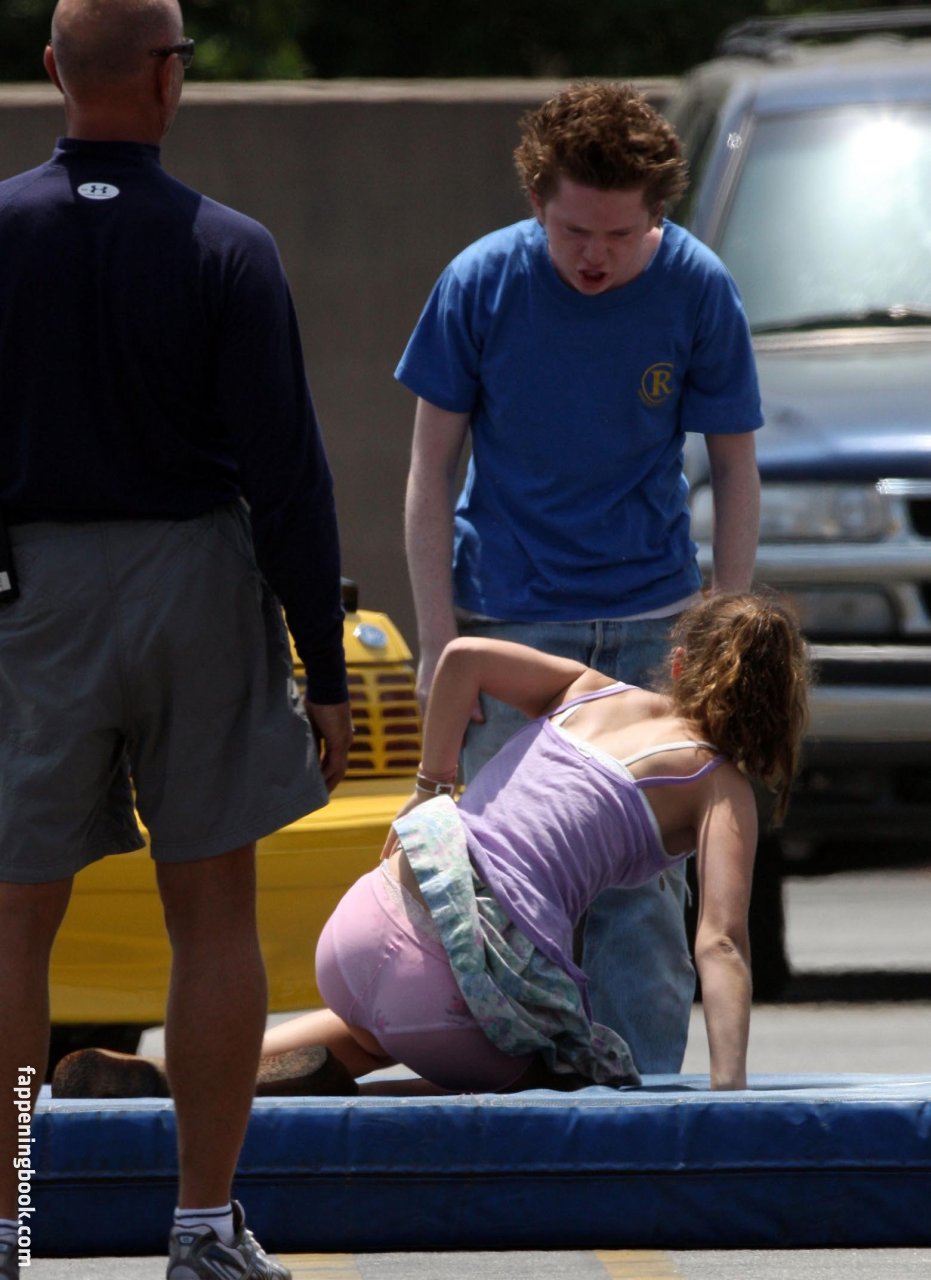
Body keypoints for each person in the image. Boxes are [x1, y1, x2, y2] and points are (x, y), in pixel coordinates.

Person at [0, 3, 351, 1279]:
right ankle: (202, 1223)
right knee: (210, 912)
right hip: (198, 581)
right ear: (167, 78)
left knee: (14, 924)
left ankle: (5, 1221)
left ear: (53, 69)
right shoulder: (227, 247)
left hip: (32, 589)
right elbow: (287, 472)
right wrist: (321, 662)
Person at [54, 594, 809, 1101]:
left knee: (375, 1029)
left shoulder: (591, 689)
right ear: (777, 710)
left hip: (366, 918)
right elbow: (720, 942)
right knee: (571, 1075)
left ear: (678, 665)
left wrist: (429, 786)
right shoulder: (720, 786)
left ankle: (193, 1076)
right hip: (445, 992)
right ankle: (359, 1096)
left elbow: (462, 658)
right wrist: (729, 1092)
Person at [397, 81, 763, 1076]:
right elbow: (430, 470)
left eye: (619, 235)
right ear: (535, 202)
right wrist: (437, 641)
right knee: (507, 885)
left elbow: (733, 467)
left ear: (658, 217)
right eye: (572, 233)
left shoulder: (697, 288)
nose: (594, 256)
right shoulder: (478, 283)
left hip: (651, 621)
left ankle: (640, 1109)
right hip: (510, 620)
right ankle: (521, 1105)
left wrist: (724, 630)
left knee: (640, 893)